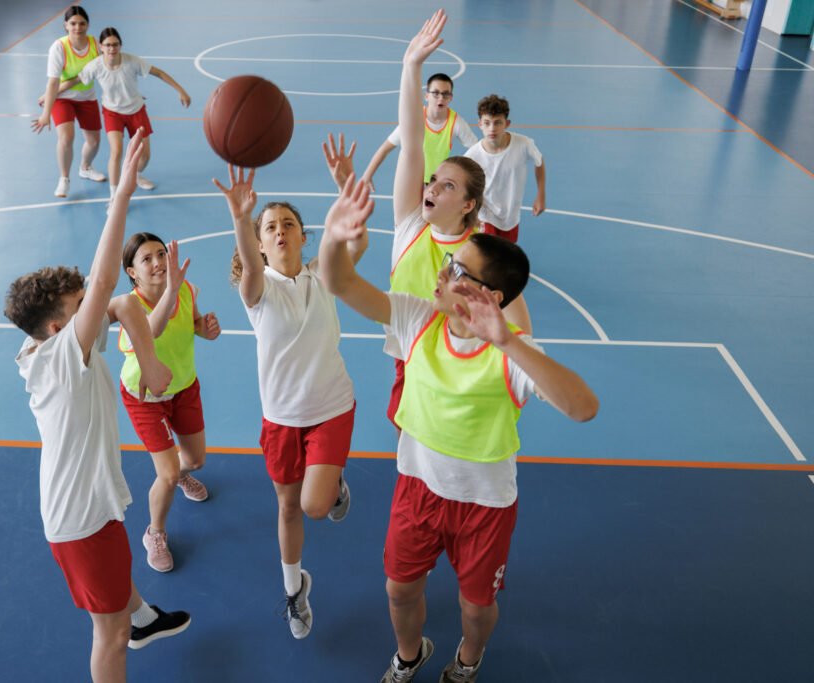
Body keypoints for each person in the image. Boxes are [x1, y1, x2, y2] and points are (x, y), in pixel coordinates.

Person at [320, 171, 598, 682]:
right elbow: (338, 283)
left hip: (484, 506)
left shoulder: (512, 351)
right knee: (399, 590)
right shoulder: (417, 318)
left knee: (475, 608)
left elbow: (583, 408)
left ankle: (469, 658)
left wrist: (510, 342)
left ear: (488, 295)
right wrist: (334, 238)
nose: (443, 274)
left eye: (457, 270)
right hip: (417, 491)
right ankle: (409, 655)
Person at [5, 130, 190, 683]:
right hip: (80, 521)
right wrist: (122, 196)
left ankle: (143, 616)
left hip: (82, 511)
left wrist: (149, 351)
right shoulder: (64, 357)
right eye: (78, 306)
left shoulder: (39, 346)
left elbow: (114, 300)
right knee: (107, 638)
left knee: (117, 578)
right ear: (61, 327)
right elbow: (111, 280)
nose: (92, 305)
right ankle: (129, 624)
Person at [212, 134, 366, 640]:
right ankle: (295, 589)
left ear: (304, 236)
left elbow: (357, 241)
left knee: (314, 506)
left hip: (331, 406)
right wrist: (240, 217)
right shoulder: (256, 292)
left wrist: (346, 182)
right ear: (259, 242)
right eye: (270, 227)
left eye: (289, 225)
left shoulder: (325, 275)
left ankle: (333, 481)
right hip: (281, 417)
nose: (280, 231)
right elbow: (251, 268)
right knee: (285, 505)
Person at [381, 13, 531, 432]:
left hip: (458, 351)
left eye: (446, 186)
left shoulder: (484, 250)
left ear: (468, 204)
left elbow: (520, 321)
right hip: (409, 345)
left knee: (446, 430)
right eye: (433, 180)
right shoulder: (411, 223)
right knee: (403, 425)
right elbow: (411, 143)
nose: (430, 187)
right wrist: (410, 68)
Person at [112, 232, 220, 573]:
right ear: (132, 272)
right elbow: (154, 330)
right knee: (169, 472)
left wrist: (206, 328)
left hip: (185, 387)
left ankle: (179, 475)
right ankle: (154, 533)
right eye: (147, 259)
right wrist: (171, 290)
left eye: (161, 254)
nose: (158, 262)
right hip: (145, 398)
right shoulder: (129, 308)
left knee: (196, 461)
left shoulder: (187, 290)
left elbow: (192, 324)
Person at [58, 26, 192, 196]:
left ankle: (135, 174)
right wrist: (51, 94)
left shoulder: (132, 61)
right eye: (107, 45)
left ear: (120, 45)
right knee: (117, 151)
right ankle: (115, 196)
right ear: (101, 46)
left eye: (115, 44)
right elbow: (74, 80)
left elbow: (158, 72)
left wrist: (181, 90)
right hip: (113, 113)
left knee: (145, 157)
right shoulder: (95, 66)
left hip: (136, 110)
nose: (111, 48)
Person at [31, 6, 106, 198]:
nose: (77, 27)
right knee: (66, 137)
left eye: (82, 23)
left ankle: (85, 168)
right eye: (73, 23)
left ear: (87, 24)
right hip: (62, 99)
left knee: (94, 140)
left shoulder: (96, 45)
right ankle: (64, 179)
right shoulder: (59, 47)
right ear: (66, 25)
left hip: (87, 97)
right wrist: (46, 113)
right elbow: (53, 81)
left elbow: (100, 73)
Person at [361, 73, 478, 189]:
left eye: (445, 94)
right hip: (411, 178)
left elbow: (477, 149)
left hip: (437, 183)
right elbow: (385, 148)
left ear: (451, 98)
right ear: (427, 96)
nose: (441, 98)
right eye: (436, 93)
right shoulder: (414, 119)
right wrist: (367, 175)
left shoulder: (456, 122)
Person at [463, 94, 546, 243]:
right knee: (488, 256)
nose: (492, 128)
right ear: (479, 124)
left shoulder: (523, 144)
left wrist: (541, 194)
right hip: (485, 214)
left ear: (507, 123)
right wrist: (472, 213)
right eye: (487, 123)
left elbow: (539, 162)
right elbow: (464, 185)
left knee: (505, 255)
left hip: (510, 215)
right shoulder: (472, 155)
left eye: (497, 123)